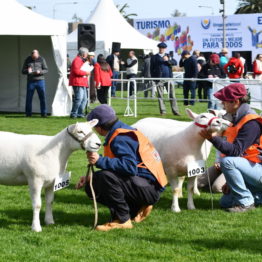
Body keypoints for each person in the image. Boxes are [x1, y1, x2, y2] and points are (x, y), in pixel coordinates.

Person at [76, 104, 168, 231]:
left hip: (148, 187)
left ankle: (123, 220)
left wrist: (100, 160)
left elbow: (129, 167)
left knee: (103, 178)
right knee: (95, 180)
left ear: (100, 127)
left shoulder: (120, 137)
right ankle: (135, 210)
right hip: (148, 185)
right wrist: (89, 177)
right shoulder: (122, 131)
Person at [199, 83, 262, 212]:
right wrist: (230, 181)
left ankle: (246, 203)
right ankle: (257, 197)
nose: (222, 104)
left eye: (225, 101)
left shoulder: (251, 122)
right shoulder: (238, 118)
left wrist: (212, 138)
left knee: (227, 161)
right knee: (225, 202)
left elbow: (235, 151)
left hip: (258, 170)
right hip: (251, 169)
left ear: (236, 101)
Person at [150, 42, 180, 116]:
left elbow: (174, 62)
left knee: (172, 95)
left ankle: (175, 111)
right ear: (159, 48)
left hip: (168, 78)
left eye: (163, 48)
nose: (161, 49)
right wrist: (154, 78)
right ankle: (163, 111)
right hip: (159, 79)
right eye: (160, 48)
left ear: (165, 49)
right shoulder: (154, 57)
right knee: (160, 96)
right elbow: (151, 68)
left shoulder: (168, 56)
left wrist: (167, 60)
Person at [21, 49, 48, 117]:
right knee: (29, 98)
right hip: (31, 81)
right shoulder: (27, 59)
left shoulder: (42, 59)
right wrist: (27, 70)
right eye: (33, 57)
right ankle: (28, 114)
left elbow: (46, 69)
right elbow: (23, 71)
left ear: (38, 54)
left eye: (35, 57)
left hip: (40, 81)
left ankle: (43, 113)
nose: (34, 58)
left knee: (42, 98)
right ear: (31, 55)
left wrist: (40, 72)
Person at [69, 47, 90, 119]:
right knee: (79, 98)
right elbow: (76, 71)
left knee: (84, 99)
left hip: (82, 82)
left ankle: (80, 114)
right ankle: (73, 113)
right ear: (84, 54)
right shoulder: (77, 60)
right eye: (87, 53)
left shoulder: (80, 60)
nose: (87, 55)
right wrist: (86, 72)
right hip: (77, 82)